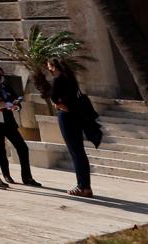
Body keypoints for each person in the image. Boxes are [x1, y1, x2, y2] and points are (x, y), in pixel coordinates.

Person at [0, 63, 40, 189]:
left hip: (5, 119)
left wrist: (12, 104)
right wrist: (3, 104)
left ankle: (27, 177)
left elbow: (12, 95)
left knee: (22, 147)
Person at [49, 58, 94, 198]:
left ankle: (82, 186)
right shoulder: (71, 79)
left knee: (75, 152)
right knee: (80, 151)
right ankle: (85, 186)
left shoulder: (58, 80)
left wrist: (60, 106)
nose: (49, 70)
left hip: (67, 116)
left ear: (54, 67)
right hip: (76, 116)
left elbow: (54, 98)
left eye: (49, 67)